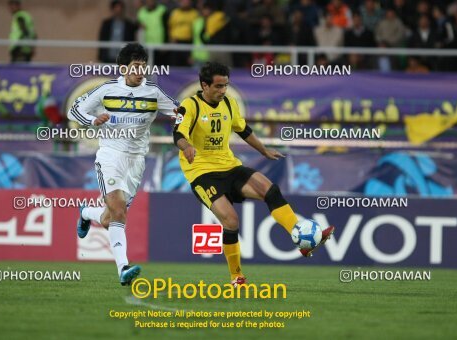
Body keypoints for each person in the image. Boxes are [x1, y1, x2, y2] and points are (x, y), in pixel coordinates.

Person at [172, 62, 335, 286]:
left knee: (269, 188)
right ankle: (236, 276)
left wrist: (264, 150)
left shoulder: (229, 103)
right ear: (204, 85)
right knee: (230, 220)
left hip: (230, 166)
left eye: (225, 86)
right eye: (218, 86)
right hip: (202, 173)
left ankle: (302, 240)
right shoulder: (190, 105)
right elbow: (177, 133)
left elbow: (244, 130)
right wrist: (186, 146)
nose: (222, 91)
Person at [67, 43, 178, 286]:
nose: (141, 72)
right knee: (118, 210)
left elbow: (179, 113)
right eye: (136, 67)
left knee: (110, 218)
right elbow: (74, 111)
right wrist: (93, 119)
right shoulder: (107, 90)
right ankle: (123, 269)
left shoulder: (153, 93)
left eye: (143, 67)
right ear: (123, 68)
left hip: (137, 161)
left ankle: (86, 212)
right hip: (110, 155)